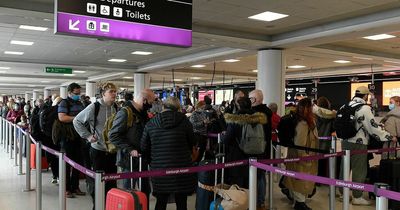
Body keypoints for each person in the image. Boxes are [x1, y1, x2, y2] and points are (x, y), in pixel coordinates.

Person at [339, 86, 395, 206]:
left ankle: (343, 193)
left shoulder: (345, 105)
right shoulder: (364, 108)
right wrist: (389, 136)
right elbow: (373, 128)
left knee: (345, 167)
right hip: (359, 143)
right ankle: (357, 197)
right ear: (365, 96)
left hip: (345, 141)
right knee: (359, 170)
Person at [141, 97, 195, 210]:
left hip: (159, 167)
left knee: (161, 201)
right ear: (178, 108)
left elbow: (144, 147)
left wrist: (152, 161)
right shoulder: (185, 121)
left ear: (163, 107)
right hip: (182, 167)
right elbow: (193, 142)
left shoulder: (151, 123)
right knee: (181, 202)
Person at [73, 82, 118, 209]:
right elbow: (77, 121)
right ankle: (97, 206)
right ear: (103, 94)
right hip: (98, 150)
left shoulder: (116, 107)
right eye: (111, 92)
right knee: (98, 183)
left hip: (112, 151)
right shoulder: (94, 107)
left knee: (111, 181)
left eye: (115, 91)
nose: (114, 94)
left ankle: (109, 205)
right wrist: (87, 136)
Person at [108, 89, 156, 198]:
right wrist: (130, 149)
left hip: (142, 158)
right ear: (144, 100)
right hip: (128, 159)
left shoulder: (143, 113)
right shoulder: (125, 112)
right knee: (129, 192)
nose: (151, 105)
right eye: (150, 102)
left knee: (145, 191)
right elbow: (113, 135)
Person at [223, 97, 267, 188]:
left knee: (238, 187)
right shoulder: (259, 119)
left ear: (238, 106)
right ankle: (252, 201)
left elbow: (227, 139)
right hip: (256, 156)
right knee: (251, 186)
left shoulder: (235, 119)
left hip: (238, 158)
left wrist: (223, 137)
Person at [283, 98, 318, 210]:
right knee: (300, 179)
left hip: (306, 154)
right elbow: (299, 142)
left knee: (300, 179)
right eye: (311, 107)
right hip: (302, 156)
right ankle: (299, 202)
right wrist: (303, 156)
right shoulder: (303, 124)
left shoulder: (308, 121)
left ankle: (298, 199)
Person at [58, 82, 85, 198]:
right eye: (76, 93)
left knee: (78, 162)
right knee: (67, 163)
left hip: (78, 136)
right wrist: (77, 119)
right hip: (67, 136)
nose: (78, 95)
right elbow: (62, 117)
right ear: (69, 92)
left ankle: (75, 186)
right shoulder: (64, 102)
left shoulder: (79, 103)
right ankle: (66, 188)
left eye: (79, 93)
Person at [248, 89, 272, 210]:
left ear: (255, 99)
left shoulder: (256, 114)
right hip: (265, 148)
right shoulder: (267, 112)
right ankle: (260, 200)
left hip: (256, 149)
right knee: (261, 175)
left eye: (250, 99)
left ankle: (258, 200)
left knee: (258, 176)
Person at [314, 97, 336, 178]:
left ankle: (316, 179)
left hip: (315, 141)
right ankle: (323, 178)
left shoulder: (315, 115)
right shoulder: (332, 116)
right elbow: (333, 128)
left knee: (315, 161)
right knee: (324, 161)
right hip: (326, 143)